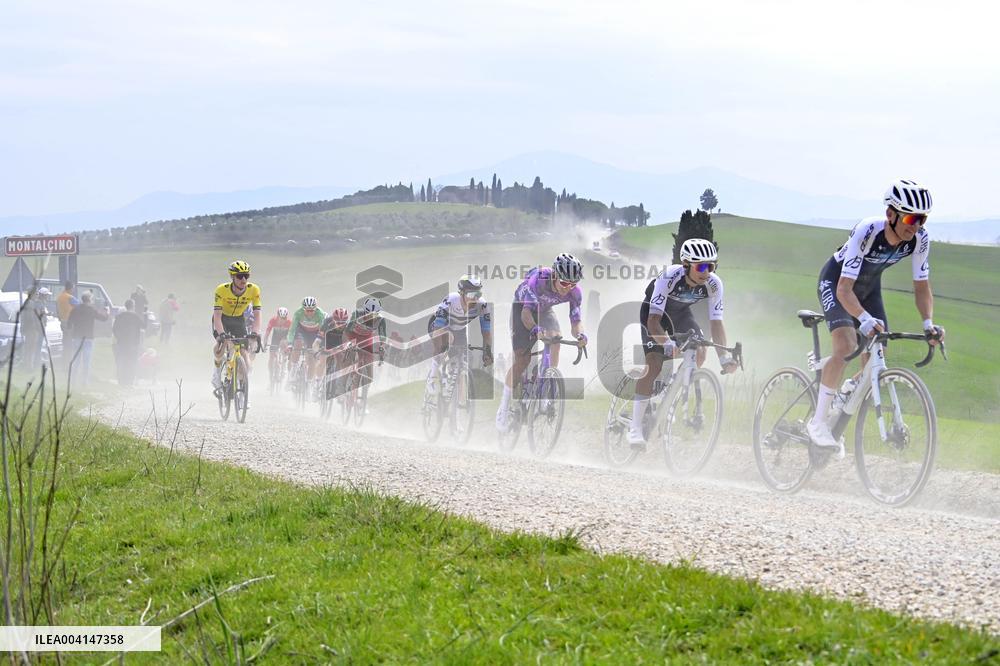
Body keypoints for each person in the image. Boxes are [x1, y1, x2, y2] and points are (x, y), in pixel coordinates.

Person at [807, 178, 944, 450]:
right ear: (891, 214)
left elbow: (922, 287)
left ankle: (845, 392)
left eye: (922, 220)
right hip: (837, 282)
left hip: (869, 288)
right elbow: (844, 290)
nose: (915, 226)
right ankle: (818, 422)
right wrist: (864, 319)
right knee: (846, 345)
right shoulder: (868, 230)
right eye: (910, 219)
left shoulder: (919, 239)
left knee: (877, 352)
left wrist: (928, 323)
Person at [628, 238, 740, 447]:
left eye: (711, 266)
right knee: (654, 364)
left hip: (680, 314)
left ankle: (671, 396)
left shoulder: (714, 284)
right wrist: (667, 343)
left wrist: (724, 358)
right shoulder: (669, 277)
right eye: (701, 266)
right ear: (687, 265)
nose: (706, 271)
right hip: (654, 316)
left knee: (700, 350)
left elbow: (716, 323)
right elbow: (653, 321)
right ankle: (634, 428)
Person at [496, 253, 587, 432]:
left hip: (544, 310)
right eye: (564, 283)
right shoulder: (539, 279)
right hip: (523, 308)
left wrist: (581, 336)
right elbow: (526, 314)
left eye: (573, 284)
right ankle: (503, 409)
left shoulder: (575, 293)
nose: (568, 288)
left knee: (556, 339)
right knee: (523, 360)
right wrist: (535, 329)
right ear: (554, 275)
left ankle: (546, 387)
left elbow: (575, 322)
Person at [426, 275, 493, 402]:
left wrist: (487, 351)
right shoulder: (451, 299)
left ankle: (455, 398)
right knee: (447, 341)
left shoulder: (482, 305)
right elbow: (438, 329)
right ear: (461, 293)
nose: (475, 298)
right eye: (471, 294)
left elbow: (486, 332)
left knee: (462, 360)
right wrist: (442, 348)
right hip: (439, 325)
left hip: (459, 330)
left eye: (478, 294)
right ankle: (433, 375)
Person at [212, 260, 262, 393]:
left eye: (246, 275)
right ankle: (216, 373)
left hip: (238, 320)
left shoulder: (254, 289)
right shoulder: (221, 289)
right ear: (232, 277)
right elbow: (217, 315)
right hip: (222, 319)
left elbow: (257, 315)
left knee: (245, 355)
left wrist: (256, 332)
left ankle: (244, 390)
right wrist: (222, 334)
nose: (243, 279)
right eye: (240, 276)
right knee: (221, 345)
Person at [65, 291, 109, 389]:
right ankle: (84, 382)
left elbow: (69, 323)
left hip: (76, 337)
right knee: (86, 361)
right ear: (89, 300)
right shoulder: (91, 310)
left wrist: (70, 329)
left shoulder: (75, 309)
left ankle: (72, 382)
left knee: (75, 361)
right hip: (88, 338)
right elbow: (104, 318)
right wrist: (107, 311)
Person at [344, 297, 387, 394]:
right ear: (364, 311)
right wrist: (348, 343)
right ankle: (343, 383)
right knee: (349, 357)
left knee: (370, 375)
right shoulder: (357, 313)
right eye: (368, 314)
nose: (371, 317)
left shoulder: (380, 319)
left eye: (374, 314)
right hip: (353, 336)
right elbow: (347, 330)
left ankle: (363, 398)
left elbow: (382, 335)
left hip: (366, 339)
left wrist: (382, 346)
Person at [287, 297, 326, 384]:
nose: (309, 313)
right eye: (307, 310)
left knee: (312, 358)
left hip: (314, 333)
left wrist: (320, 345)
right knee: (297, 344)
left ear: (315, 309)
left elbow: (323, 331)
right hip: (301, 331)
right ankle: (294, 366)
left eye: (312, 310)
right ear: (303, 309)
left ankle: (308, 383)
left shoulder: (320, 314)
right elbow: (292, 330)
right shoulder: (298, 313)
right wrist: (290, 343)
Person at [112, 299, 145, 386]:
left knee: (121, 362)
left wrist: (119, 337)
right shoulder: (136, 317)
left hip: (121, 343)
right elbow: (144, 326)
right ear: (133, 306)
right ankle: (129, 382)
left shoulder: (119, 316)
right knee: (131, 362)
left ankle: (121, 381)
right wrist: (145, 315)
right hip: (133, 344)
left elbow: (114, 329)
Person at [21, 287, 51, 371]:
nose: (37, 295)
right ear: (33, 294)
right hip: (32, 329)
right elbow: (31, 317)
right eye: (36, 294)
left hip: (30, 329)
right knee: (31, 348)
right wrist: (36, 328)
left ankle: (28, 366)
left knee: (30, 348)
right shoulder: (31, 303)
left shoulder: (29, 302)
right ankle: (29, 367)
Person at [264, 306, 293, 380]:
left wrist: (289, 345)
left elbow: (291, 335)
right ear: (277, 317)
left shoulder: (289, 322)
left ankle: (284, 363)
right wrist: (265, 342)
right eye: (281, 318)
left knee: (283, 344)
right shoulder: (273, 320)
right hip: (275, 337)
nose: (283, 320)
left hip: (285, 337)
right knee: (271, 357)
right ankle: (271, 376)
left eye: (284, 318)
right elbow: (267, 332)